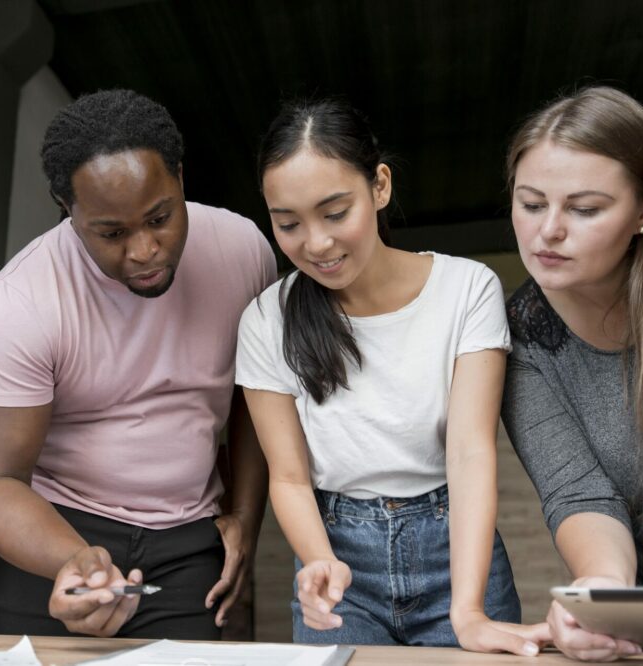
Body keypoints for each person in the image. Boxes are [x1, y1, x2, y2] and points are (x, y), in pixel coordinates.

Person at [0, 89, 277, 639]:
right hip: (51, 535)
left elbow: (257, 400)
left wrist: (246, 516)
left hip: (187, 538)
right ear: (67, 207)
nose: (145, 249)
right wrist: (73, 560)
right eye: (111, 233)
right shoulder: (19, 303)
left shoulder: (243, 251)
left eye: (160, 217)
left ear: (179, 175)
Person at [236, 99, 550, 654]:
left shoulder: (466, 289)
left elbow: (470, 452)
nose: (316, 243)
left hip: (452, 547)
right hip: (338, 558)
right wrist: (318, 564)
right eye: (288, 223)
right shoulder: (266, 319)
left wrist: (469, 609)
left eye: (335, 213)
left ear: (379, 186)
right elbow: (287, 476)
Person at [502, 86, 643, 661]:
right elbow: (580, 493)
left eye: (585, 209)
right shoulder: (522, 339)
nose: (549, 231)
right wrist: (600, 591)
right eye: (532, 203)